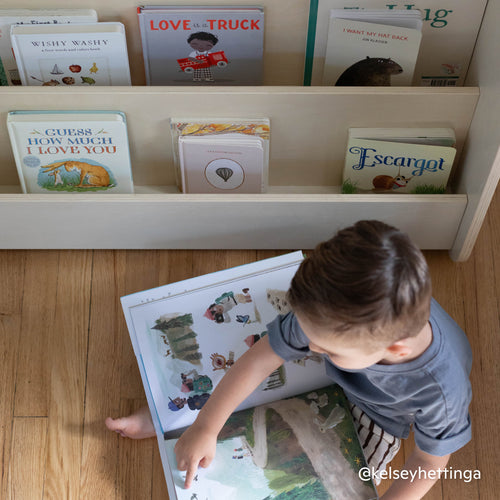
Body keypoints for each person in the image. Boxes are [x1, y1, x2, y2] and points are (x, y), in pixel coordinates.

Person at [105, 220, 472, 499]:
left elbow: (426, 465)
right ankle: (167, 417)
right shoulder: (332, 315)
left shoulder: (440, 394)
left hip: (383, 414)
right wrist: (203, 427)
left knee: (339, 479)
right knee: (238, 366)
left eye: (324, 348)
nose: (310, 349)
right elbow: (257, 360)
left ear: (396, 349)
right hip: (352, 359)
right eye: (310, 338)